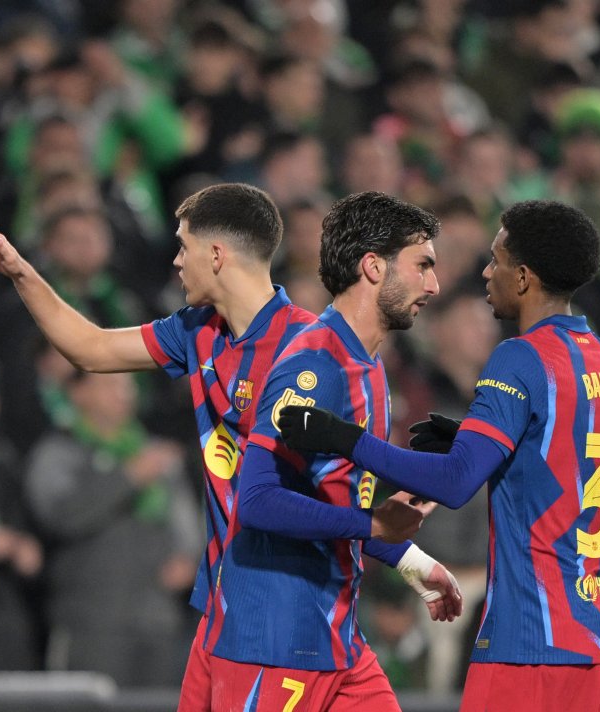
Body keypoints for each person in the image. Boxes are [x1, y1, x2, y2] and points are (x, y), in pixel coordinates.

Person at [0, 185, 459, 711]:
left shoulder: (314, 356)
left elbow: (340, 493)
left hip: (311, 621)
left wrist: (408, 559)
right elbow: (91, 348)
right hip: (257, 614)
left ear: (216, 255)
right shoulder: (199, 331)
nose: (175, 260)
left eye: (183, 246)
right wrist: (20, 272)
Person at [276, 200, 600, 710]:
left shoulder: (519, 357)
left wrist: (342, 437)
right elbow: (567, 456)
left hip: (535, 639)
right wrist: (481, 436)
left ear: (524, 277)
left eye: (497, 260)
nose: (486, 273)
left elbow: (454, 482)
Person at [223, 191, 445, 710]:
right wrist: (375, 528)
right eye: (423, 266)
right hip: (281, 635)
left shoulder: (368, 367)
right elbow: (255, 499)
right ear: (373, 267)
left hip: (335, 634)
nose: (434, 285)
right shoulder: (316, 366)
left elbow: (338, 503)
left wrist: (413, 562)